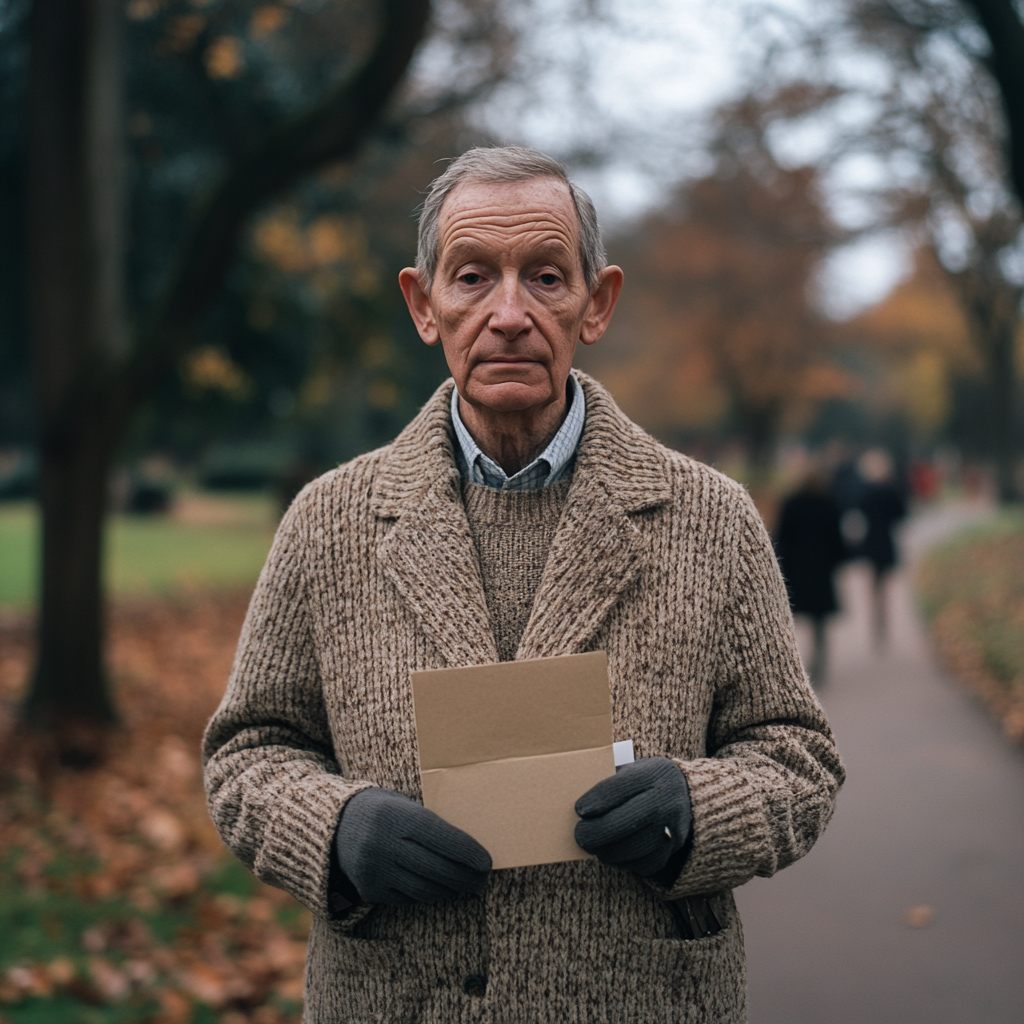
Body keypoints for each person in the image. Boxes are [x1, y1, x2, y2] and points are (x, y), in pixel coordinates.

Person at [203, 146, 844, 1023]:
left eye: (545, 277)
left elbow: (798, 758)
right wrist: (337, 829)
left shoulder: (712, 520)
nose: (509, 314)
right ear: (424, 305)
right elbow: (247, 752)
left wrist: (700, 810)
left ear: (598, 302)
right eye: (472, 278)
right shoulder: (328, 522)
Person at [774, 468, 848, 685]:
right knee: (819, 622)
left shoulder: (791, 504)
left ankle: (792, 667)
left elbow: (782, 536)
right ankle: (819, 663)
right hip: (821, 570)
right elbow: (837, 539)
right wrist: (836, 562)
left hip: (796, 569)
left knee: (790, 619)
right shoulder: (828, 504)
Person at [856, 448, 907, 649]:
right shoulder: (891, 491)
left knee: (873, 585)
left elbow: (858, 511)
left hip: (870, 542)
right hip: (886, 542)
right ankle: (883, 623)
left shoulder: (866, 491)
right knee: (884, 586)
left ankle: (875, 623)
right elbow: (901, 514)